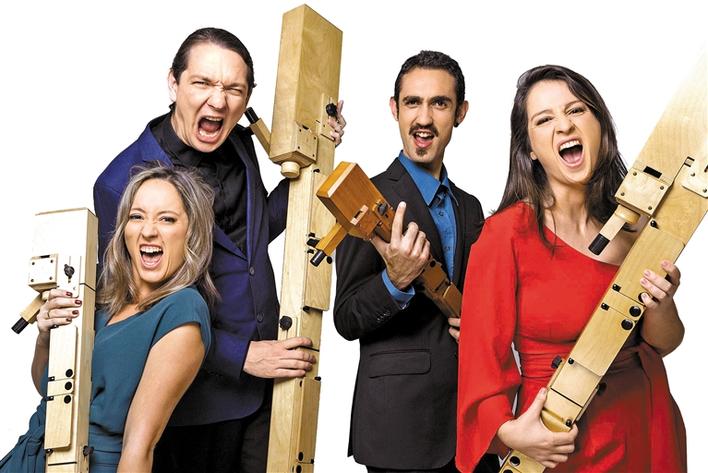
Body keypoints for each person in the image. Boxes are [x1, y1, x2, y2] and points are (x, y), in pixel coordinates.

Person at [93, 27, 345, 473]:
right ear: (173, 83)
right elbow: (127, 312)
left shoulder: (240, 143)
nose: (218, 101)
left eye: (234, 89)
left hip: (269, 386)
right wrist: (241, 354)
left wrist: (318, 154)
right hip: (189, 407)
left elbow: (253, 236)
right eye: (203, 83)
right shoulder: (120, 183)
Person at [456, 65, 687, 472]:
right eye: (544, 120)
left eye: (576, 110)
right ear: (530, 148)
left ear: (599, 125)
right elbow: (481, 361)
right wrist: (509, 432)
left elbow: (661, 344)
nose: (564, 125)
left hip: (644, 426)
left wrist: (662, 304)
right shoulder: (504, 235)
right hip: (559, 438)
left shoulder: (635, 228)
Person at [333, 50, 498, 473]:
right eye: (412, 102)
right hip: (400, 426)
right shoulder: (363, 197)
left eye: (439, 103)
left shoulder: (470, 206)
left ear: (460, 113)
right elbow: (347, 318)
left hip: (474, 422)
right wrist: (394, 281)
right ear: (395, 109)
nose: (423, 118)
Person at [0, 166, 216, 472]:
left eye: (166, 219)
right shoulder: (97, 293)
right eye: (137, 216)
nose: (148, 230)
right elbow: (46, 387)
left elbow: (139, 446)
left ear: (191, 232)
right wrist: (45, 338)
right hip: (26, 459)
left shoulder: (182, 310)